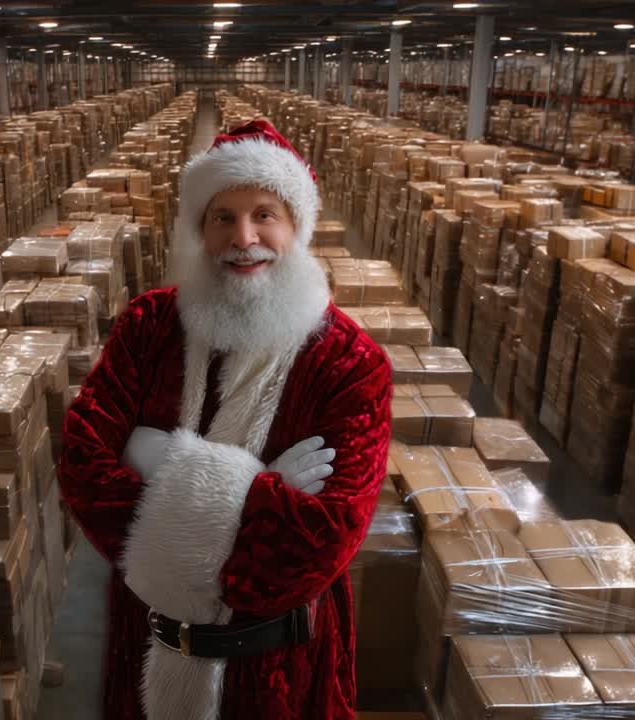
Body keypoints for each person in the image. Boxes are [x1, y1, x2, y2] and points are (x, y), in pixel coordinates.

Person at [59, 118, 393, 720]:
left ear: (297, 226)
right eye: (223, 217)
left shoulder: (350, 363)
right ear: (200, 229)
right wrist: (259, 492)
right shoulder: (148, 327)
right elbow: (83, 466)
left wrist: (165, 470)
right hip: (149, 645)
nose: (244, 238)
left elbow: (320, 542)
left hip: (278, 668)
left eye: (265, 213)